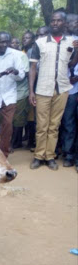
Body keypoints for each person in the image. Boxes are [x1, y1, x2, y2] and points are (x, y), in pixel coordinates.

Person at [29, 11, 78, 170]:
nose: (55, 23)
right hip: (43, 88)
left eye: (58, 21)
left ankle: (49, 156)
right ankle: (38, 156)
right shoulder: (40, 42)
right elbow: (33, 67)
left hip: (62, 89)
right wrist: (31, 91)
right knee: (42, 125)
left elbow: (71, 64)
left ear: (64, 23)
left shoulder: (72, 42)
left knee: (54, 125)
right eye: (53, 20)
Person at [60, 13, 78, 169]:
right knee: (68, 123)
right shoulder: (65, 42)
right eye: (72, 22)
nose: (74, 25)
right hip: (69, 90)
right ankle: (68, 154)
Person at [11, 32, 34, 149]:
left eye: (16, 43)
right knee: (10, 118)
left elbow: (25, 72)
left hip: (21, 92)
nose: (14, 44)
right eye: (12, 42)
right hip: (8, 92)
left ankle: (16, 142)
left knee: (18, 119)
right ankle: (14, 141)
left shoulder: (22, 55)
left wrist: (14, 72)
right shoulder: (4, 55)